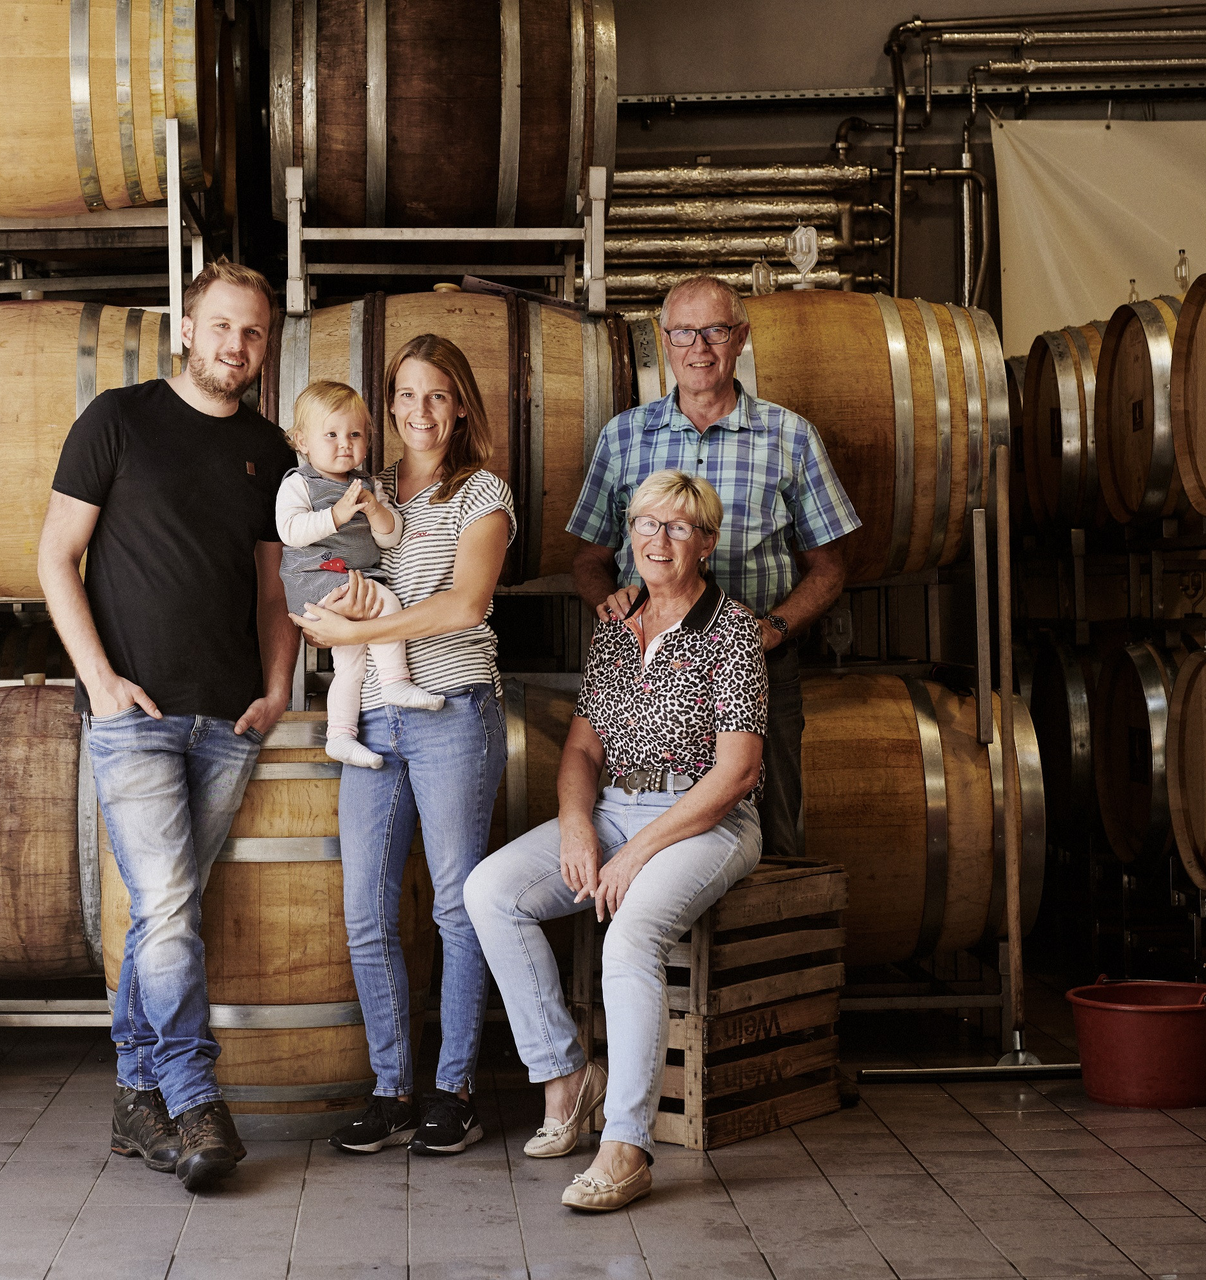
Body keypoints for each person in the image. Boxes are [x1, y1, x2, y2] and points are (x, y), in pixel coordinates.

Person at [37, 258, 298, 1192]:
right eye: (221, 325)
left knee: (166, 915)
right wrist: (101, 682)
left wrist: (278, 690)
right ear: (186, 328)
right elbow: (56, 557)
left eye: (253, 331)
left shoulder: (271, 451)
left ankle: (134, 1095)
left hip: (228, 720)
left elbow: (275, 589)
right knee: (170, 910)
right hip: (133, 718)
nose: (236, 345)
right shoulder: (117, 419)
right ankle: (193, 1099)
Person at [466, 470, 766, 1212]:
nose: (658, 539)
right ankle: (568, 1079)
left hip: (706, 819)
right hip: (613, 807)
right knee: (491, 892)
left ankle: (626, 1147)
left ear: (706, 543)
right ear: (629, 534)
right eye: (645, 524)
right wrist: (578, 825)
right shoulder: (617, 625)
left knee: (630, 935)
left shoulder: (733, 630)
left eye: (678, 527)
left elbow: (735, 774)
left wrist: (635, 852)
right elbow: (581, 751)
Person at [290, 334, 514, 1157]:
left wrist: (364, 629)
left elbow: (465, 604)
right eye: (407, 395)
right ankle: (391, 1090)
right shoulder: (363, 485)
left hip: (453, 708)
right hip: (375, 713)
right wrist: (320, 613)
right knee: (366, 912)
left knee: (455, 907)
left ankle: (455, 1091)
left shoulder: (482, 492)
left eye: (438, 395)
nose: (421, 411)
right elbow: (310, 564)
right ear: (388, 407)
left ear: (461, 408)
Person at [567, 276, 859, 862]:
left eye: (715, 331)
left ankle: (760, 924)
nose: (698, 347)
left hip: (760, 668)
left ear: (741, 338)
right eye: (683, 333)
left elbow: (830, 568)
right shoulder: (623, 437)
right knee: (637, 829)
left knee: (774, 838)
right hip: (645, 675)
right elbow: (589, 559)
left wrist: (773, 629)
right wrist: (608, 602)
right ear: (665, 340)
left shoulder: (790, 437)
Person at [275, 380, 446, 770]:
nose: (344, 444)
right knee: (385, 601)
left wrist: (374, 510)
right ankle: (395, 681)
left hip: (350, 578)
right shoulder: (299, 483)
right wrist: (336, 515)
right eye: (331, 435)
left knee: (350, 661)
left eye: (355, 434)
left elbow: (390, 537)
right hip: (315, 577)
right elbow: (291, 531)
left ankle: (339, 735)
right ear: (302, 441)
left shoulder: (368, 484)